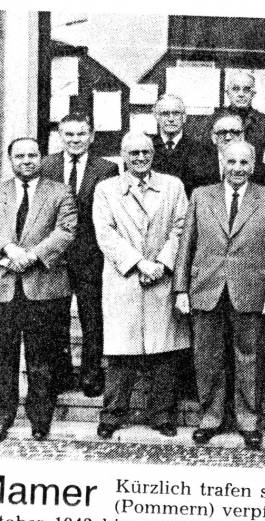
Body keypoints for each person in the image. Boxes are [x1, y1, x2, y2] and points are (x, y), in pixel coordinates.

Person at [174, 140, 265, 450]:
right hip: (206, 287)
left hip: (251, 289)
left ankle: (248, 421)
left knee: (249, 357)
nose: (238, 168)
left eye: (244, 162)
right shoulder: (201, 195)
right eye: (232, 162)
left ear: (253, 165)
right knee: (206, 356)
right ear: (222, 163)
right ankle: (210, 418)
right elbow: (186, 245)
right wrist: (181, 288)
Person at [92, 133, 189, 439]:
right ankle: (112, 414)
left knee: (164, 352)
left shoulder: (173, 186)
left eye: (145, 152)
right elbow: (105, 233)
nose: (140, 158)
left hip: (162, 277)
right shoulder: (106, 189)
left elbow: (181, 228)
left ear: (153, 155)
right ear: (122, 155)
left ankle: (163, 415)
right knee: (121, 352)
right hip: (124, 278)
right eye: (133, 152)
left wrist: (161, 263)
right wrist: (138, 263)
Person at [0, 137, 76, 441]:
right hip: (2, 285)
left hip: (43, 285)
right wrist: (9, 249)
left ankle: (40, 418)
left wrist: (33, 255)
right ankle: (0, 417)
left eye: (32, 155)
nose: (26, 161)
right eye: (20, 156)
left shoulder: (60, 191)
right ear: (11, 160)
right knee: (1, 356)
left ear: (41, 158)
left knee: (42, 357)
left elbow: (66, 230)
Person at [41, 111, 117, 397]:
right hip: (55, 256)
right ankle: (60, 374)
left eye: (81, 133)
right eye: (69, 134)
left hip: (90, 255)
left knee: (92, 317)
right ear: (60, 136)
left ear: (91, 136)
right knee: (55, 317)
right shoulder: (46, 165)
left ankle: (91, 373)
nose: (75, 139)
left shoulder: (107, 168)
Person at [210, 70, 265, 187]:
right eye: (235, 89)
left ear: (253, 93)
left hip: (258, 189)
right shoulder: (213, 122)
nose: (241, 94)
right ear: (227, 92)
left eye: (246, 90)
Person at [150, 94, 206, 197]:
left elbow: (208, 192)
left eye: (176, 113)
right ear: (157, 117)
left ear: (184, 117)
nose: (171, 119)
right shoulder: (147, 148)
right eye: (165, 114)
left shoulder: (201, 149)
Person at [188, 111, 246, 190]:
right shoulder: (197, 167)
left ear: (242, 137)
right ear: (214, 137)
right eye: (222, 133)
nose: (228, 137)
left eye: (234, 132)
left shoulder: (256, 168)